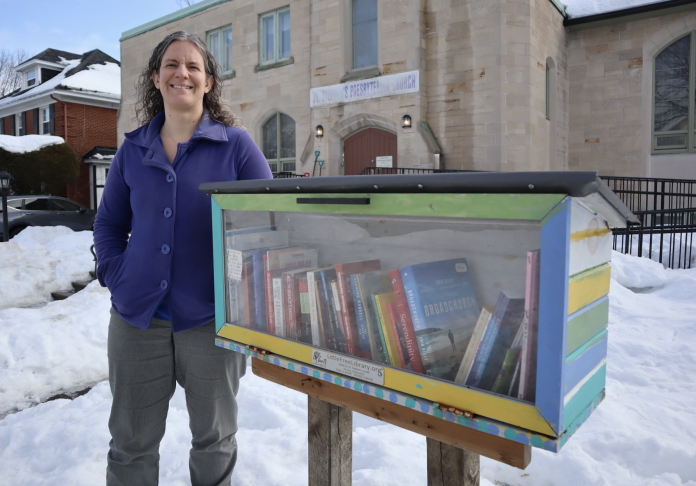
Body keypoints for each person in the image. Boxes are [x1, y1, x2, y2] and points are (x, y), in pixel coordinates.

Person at [93, 31, 273, 486]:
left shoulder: (236, 147)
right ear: (156, 77)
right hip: (137, 320)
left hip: (211, 321)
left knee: (214, 442)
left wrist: (241, 290)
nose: (182, 73)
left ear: (208, 81)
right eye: (172, 65)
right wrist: (117, 274)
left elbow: (271, 223)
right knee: (130, 444)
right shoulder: (132, 150)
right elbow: (109, 224)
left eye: (193, 66)